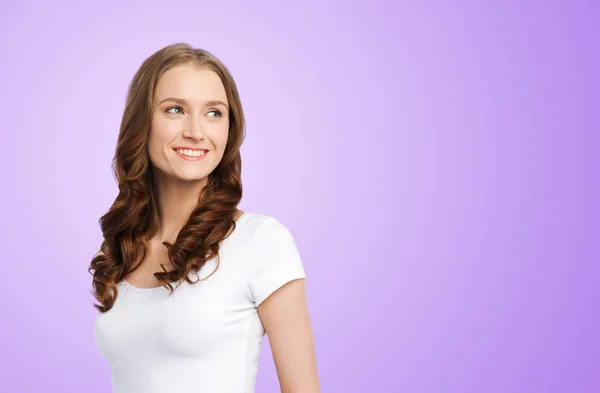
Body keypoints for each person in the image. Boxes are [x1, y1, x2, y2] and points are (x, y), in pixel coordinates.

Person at [89, 42, 320, 393]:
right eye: (175, 109)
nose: (196, 131)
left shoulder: (260, 241)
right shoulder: (122, 246)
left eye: (214, 113)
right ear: (142, 122)